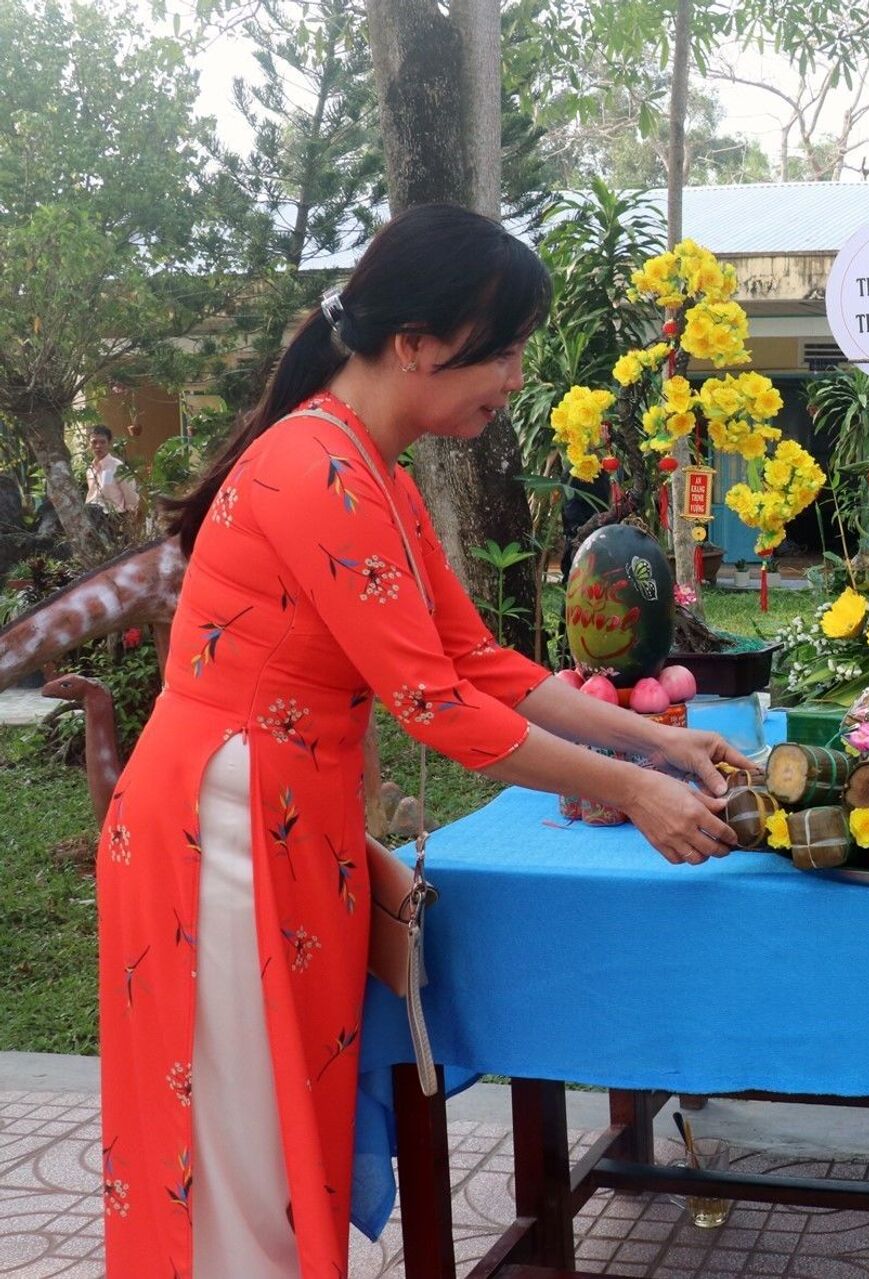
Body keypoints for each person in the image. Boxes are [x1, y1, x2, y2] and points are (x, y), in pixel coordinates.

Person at [97, 204, 747, 1279]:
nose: (515, 377)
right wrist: (630, 793)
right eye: (500, 351)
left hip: (281, 817)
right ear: (416, 346)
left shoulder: (374, 468)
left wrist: (656, 745)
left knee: (273, 1118)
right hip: (220, 829)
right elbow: (436, 710)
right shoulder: (319, 469)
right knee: (234, 1142)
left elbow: (478, 664)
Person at [85, 423, 140, 526]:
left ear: (109, 444)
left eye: (102, 442)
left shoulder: (118, 467)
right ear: (89, 444)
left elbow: (130, 495)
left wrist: (130, 517)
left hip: (113, 519)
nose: (98, 446)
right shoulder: (90, 469)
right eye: (94, 442)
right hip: (92, 519)